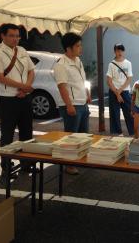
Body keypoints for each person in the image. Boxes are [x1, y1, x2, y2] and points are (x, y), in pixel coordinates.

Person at [0, 23, 35, 176]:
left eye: (17, 36)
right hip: (8, 99)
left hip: (24, 97)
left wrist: (26, 87)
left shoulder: (21, 50)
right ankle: (6, 166)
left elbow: (31, 70)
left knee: (27, 132)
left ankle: (27, 163)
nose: (15, 39)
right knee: (7, 134)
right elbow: (0, 77)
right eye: (12, 36)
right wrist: (23, 86)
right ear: (3, 36)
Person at [53, 32, 91, 175]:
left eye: (80, 45)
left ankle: (80, 159)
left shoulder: (78, 61)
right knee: (71, 136)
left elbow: (82, 80)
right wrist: (69, 105)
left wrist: (87, 93)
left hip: (82, 102)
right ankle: (69, 165)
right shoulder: (61, 64)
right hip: (71, 104)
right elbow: (62, 86)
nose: (81, 48)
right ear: (68, 48)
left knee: (84, 135)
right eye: (78, 46)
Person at [106, 44, 134, 136]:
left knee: (129, 112)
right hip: (114, 92)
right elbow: (109, 81)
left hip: (125, 91)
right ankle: (118, 133)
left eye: (121, 50)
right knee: (114, 113)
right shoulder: (111, 64)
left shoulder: (128, 63)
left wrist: (120, 91)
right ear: (115, 51)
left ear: (124, 51)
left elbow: (129, 78)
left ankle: (133, 132)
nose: (120, 52)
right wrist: (117, 93)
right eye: (118, 50)